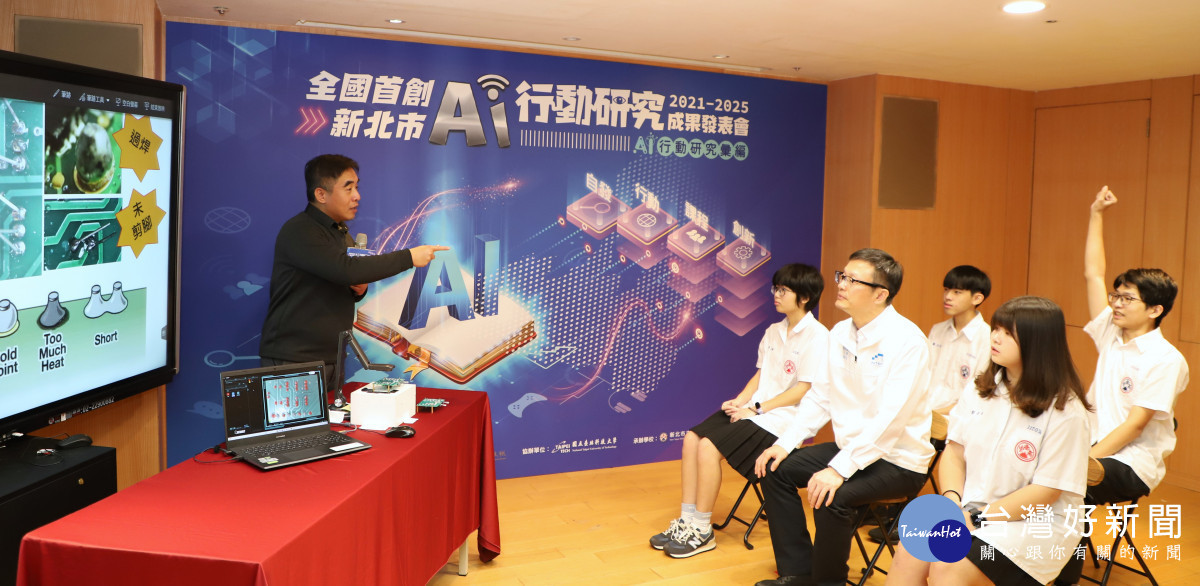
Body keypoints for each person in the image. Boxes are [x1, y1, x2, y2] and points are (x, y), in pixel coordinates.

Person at [753, 248, 933, 586]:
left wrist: (838, 470)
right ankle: (799, 571)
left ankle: (829, 581)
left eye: (852, 280)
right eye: (842, 276)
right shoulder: (838, 333)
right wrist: (785, 443)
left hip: (898, 460)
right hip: (851, 447)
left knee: (832, 495)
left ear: (880, 294)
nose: (841, 284)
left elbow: (889, 422)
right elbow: (821, 397)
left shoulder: (908, 342)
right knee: (776, 469)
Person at [887, 296, 1091, 586]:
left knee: (949, 564)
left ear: (1037, 343)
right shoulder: (979, 388)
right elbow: (954, 452)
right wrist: (952, 502)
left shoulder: (1066, 411)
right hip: (972, 509)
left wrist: (977, 518)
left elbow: (1045, 493)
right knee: (912, 547)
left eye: (1008, 333)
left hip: (1033, 525)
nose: (995, 337)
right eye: (996, 329)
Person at [1056, 186, 1189, 585]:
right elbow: (1093, 273)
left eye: (1127, 299)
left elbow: (1134, 426)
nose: (1115, 303)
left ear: (1155, 310)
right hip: (1092, 446)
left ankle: (1061, 576)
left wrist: (1083, 458)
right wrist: (1096, 214)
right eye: (1116, 295)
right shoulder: (1110, 335)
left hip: (1132, 463)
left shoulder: (1165, 359)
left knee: (1060, 488)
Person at [650, 263, 829, 559]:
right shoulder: (774, 331)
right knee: (692, 438)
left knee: (709, 447)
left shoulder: (818, 337)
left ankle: (702, 530)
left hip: (782, 423)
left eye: (784, 290)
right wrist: (740, 401)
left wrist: (757, 409)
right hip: (755, 411)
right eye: (776, 288)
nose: (776, 294)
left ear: (805, 297)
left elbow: (803, 390)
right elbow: (760, 375)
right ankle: (687, 520)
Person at [259, 154, 449, 389]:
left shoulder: (341, 233)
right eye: (348, 188)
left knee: (333, 415)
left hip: (332, 357)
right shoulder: (300, 230)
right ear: (321, 194)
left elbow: (342, 277)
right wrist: (409, 257)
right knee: (298, 417)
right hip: (294, 359)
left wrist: (358, 290)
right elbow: (345, 270)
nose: (357, 196)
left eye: (357, 187)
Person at [928, 265, 992, 415]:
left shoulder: (987, 337)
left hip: (960, 418)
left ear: (977, 298)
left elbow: (978, 394)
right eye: (946, 290)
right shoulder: (937, 330)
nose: (948, 296)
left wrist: (935, 414)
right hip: (926, 414)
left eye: (957, 292)